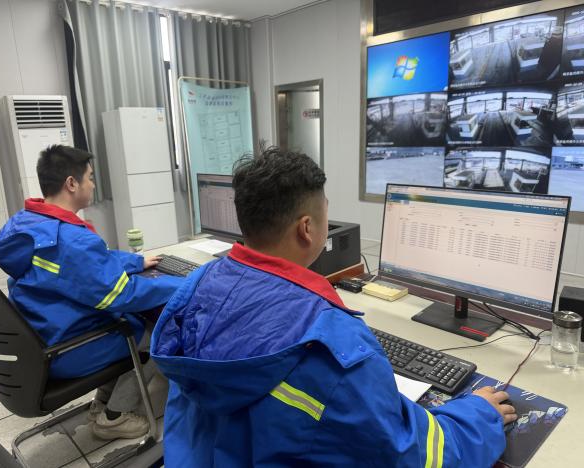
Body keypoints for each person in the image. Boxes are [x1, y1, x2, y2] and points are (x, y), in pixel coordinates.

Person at [150, 148, 516, 466]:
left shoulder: (199, 285)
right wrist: (478, 416)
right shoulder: (333, 348)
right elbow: (411, 455)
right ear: (307, 228)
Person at [0, 145, 184, 440]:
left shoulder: (28, 224)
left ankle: (102, 403)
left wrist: (135, 261)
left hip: (45, 332)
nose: (92, 184)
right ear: (71, 183)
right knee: (157, 332)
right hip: (68, 346)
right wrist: (184, 283)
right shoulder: (72, 240)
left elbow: (80, 267)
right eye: (90, 177)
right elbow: (121, 295)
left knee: (127, 322)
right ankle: (114, 418)